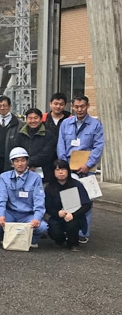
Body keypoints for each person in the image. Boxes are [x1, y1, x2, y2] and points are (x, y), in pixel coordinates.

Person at [56, 95, 104, 244]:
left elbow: (98, 146)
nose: (79, 109)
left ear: (87, 106)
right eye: (76, 107)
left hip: (86, 169)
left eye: (82, 106)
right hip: (69, 167)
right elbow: (61, 144)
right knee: (69, 199)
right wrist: (64, 164)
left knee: (86, 200)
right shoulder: (66, 123)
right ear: (72, 107)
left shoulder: (95, 124)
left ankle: (84, 232)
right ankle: (71, 230)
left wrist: (88, 164)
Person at [0, 147, 48, 248]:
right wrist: (1, 215)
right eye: (16, 161)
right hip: (10, 213)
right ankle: (6, 237)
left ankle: (31, 240)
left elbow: (39, 200)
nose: (20, 164)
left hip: (28, 215)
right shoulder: (4, 177)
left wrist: (37, 218)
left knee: (42, 227)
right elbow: (1, 198)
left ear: (27, 161)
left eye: (23, 160)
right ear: (12, 163)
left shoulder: (36, 178)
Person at [45, 159, 91, 252]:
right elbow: (47, 206)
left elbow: (86, 204)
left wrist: (73, 215)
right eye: (57, 170)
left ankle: (73, 243)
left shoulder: (77, 185)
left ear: (68, 171)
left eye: (63, 169)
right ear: (53, 172)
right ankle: (61, 240)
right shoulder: (49, 187)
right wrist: (57, 213)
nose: (60, 172)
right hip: (57, 217)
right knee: (53, 230)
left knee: (72, 225)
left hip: (75, 216)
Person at [13, 108, 57, 182]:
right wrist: (24, 165)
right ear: (26, 120)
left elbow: (47, 154)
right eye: (30, 118)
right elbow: (16, 151)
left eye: (36, 118)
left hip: (44, 173)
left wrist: (28, 163)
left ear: (40, 119)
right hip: (23, 172)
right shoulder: (20, 134)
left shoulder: (48, 134)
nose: (33, 121)